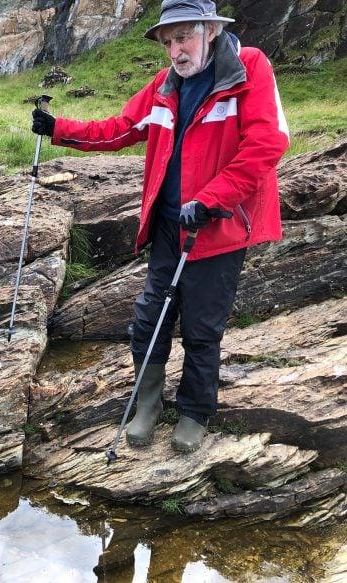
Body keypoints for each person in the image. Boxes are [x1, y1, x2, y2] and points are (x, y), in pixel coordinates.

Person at [32, 0, 289, 452]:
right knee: (149, 319)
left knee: (203, 328)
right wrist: (58, 129)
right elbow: (119, 128)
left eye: (183, 37)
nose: (174, 50)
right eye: (167, 42)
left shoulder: (249, 68)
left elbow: (268, 142)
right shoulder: (165, 85)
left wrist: (212, 199)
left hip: (220, 226)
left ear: (209, 30)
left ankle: (194, 412)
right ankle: (148, 404)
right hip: (170, 227)